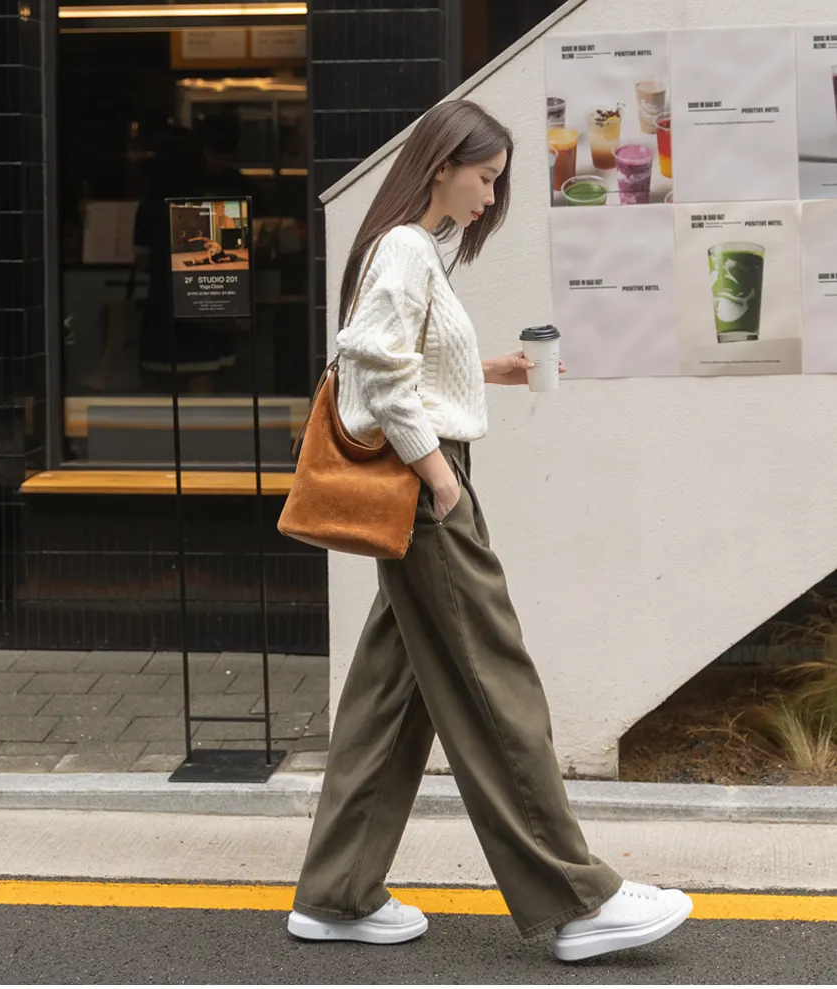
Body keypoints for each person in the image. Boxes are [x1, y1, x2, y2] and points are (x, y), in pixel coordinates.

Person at [286, 99, 692, 962]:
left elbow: (413, 362)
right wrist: (440, 478)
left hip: (425, 480)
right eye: (486, 177)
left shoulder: (417, 248)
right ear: (441, 164)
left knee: (392, 695)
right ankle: (576, 901)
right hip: (425, 486)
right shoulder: (406, 246)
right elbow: (375, 367)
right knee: (494, 680)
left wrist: (494, 369)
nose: (490, 196)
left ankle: (337, 893)